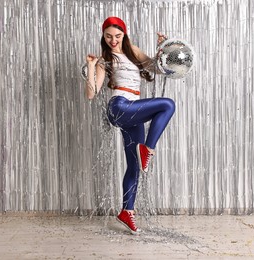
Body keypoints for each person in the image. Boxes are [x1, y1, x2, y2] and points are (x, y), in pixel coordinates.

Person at [85, 17, 175, 234]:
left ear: (124, 34)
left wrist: (162, 48)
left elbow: (156, 68)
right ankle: (148, 149)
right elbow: (90, 94)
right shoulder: (104, 60)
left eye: (117, 36)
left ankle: (127, 211)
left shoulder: (133, 51)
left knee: (134, 166)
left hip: (133, 111)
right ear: (103, 36)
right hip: (119, 107)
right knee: (167, 105)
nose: (113, 40)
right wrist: (90, 67)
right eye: (108, 36)